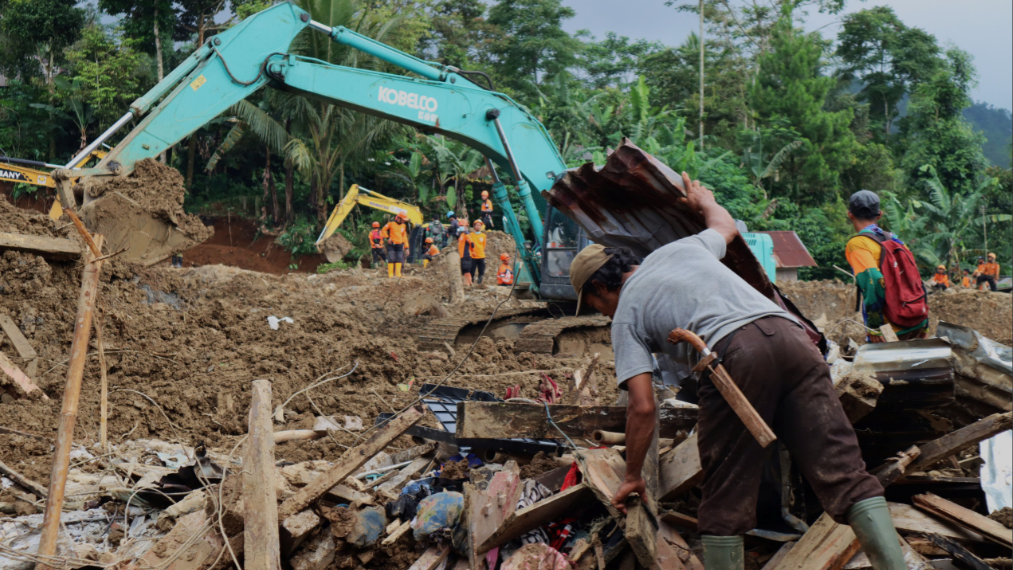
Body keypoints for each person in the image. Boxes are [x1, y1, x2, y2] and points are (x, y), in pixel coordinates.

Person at [570, 172, 907, 570]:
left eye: (594, 305)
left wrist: (632, 477)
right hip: (793, 339)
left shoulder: (624, 315)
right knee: (844, 471)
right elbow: (725, 226)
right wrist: (703, 200)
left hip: (733, 356)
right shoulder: (678, 251)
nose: (601, 312)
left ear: (600, 289)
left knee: (725, 493)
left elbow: (642, 407)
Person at [845, 190, 929, 343]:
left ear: (850, 214)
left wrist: (875, 327)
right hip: (917, 319)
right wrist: (926, 323)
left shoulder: (857, 244)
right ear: (880, 214)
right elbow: (916, 280)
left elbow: (874, 280)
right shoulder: (896, 240)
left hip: (891, 328)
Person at [381, 213, 410, 278]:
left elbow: (404, 236)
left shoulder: (404, 225)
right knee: (391, 258)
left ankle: (398, 274)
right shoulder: (391, 223)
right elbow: (383, 230)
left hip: (399, 245)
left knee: (399, 259)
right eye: (402, 220)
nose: (403, 221)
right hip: (391, 244)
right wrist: (387, 238)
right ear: (398, 218)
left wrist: (407, 247)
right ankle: (390, 274)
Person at [471, 220, 488, 284]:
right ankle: (471, 282)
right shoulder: (471, 235)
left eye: (480, 225)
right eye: (477, 225)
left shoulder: (483, 235)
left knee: (481, 270)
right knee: (472, 270)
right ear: (474, 226)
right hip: (473, 256)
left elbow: (483, 245)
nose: (478, 226)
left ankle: (479, 281)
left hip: (481, 255)